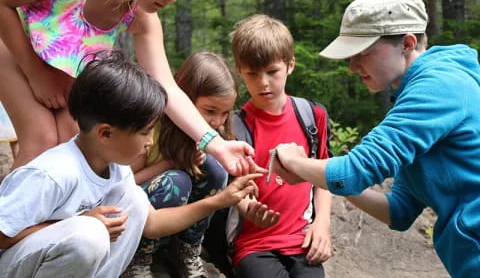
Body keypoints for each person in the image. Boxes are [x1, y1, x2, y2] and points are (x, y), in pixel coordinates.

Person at [0, 0, 257, 176]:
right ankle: (14, 217)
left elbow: (167, 87)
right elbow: (2, 2)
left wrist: (216, 144)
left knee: (74, 142)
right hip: (12, 38)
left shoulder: (141, 16)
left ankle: (57, 215)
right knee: (41, 137)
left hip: (58, 66)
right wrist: (36, 73)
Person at [274, 0, 480, 278]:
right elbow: (398, 210)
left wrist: (296, 161)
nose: (352, 66)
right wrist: (315, 174)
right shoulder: (418, 95)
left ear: (407, 43)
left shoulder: (438, 88)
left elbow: (354, 172)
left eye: (363, 52)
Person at [0, 51, 261, 278]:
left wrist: (221, 200)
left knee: (133, 204)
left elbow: (153, 222)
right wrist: (76, 224)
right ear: (105, 133)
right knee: (90, 234)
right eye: (144, 132)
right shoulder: (53, 173)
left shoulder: (116, 168)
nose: (149, 142)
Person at [228, 14, 333, 278]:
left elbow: (325, 177)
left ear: (290, 65)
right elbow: (234, 188)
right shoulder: (235, 126)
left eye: (272, 72)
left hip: (302, 241)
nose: (263, 83)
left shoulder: (312, 116)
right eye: (252, 74)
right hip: (253, 246)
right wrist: (248, 207)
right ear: (240, 70)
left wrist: (322, 225)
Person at [126, 52, 237, 278]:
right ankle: (138, 259)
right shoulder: (153, 125)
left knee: (215, 169)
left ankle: (187, 249)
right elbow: (126, 182)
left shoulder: (216, 134)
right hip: (139, 217)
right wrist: (171, 164)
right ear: (185, 98)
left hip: (175, 224)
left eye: (225, 113)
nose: (217, 122)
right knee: (177, 181)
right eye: (210, 111)